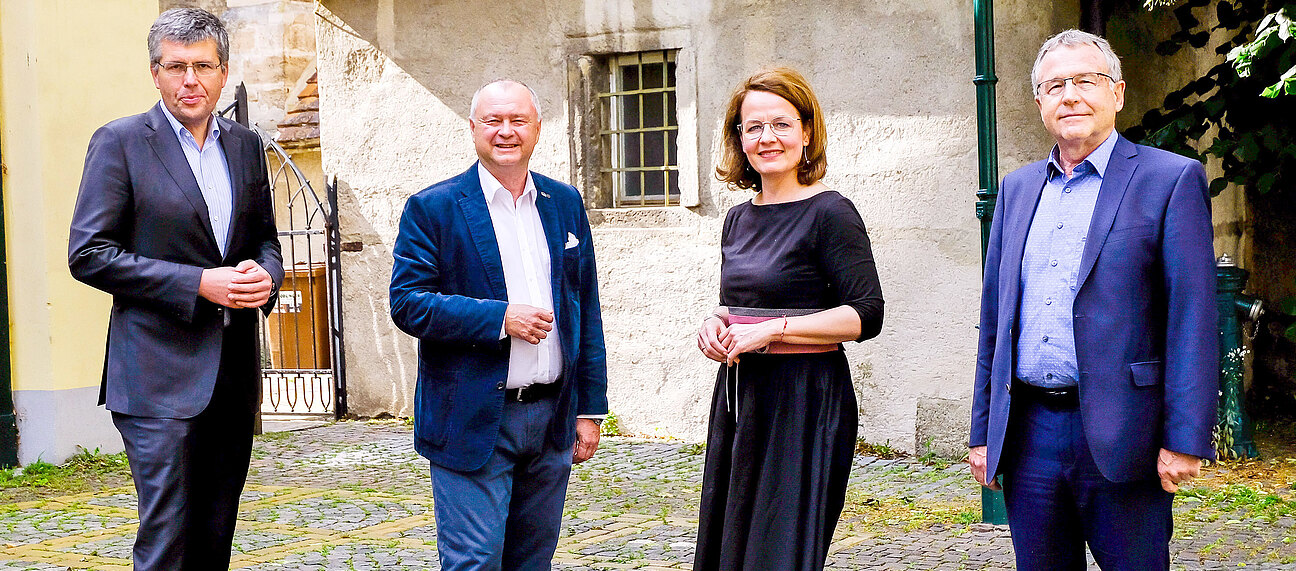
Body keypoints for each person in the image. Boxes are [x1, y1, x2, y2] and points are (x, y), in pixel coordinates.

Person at [968, 29, 1217, 570]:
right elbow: (995, 320)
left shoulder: (1169, 179)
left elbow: (1193, 319)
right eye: (1054, 85)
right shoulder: (1016, 189)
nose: (1070, 95)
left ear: (1118, 93)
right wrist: (983, 430)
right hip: (1029, 434)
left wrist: (1186, 437)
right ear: (1039, 104)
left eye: (1086, 80)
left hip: (1125, 431)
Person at [67, 8, 283, 571]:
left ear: (223, 70)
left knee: (214, 538)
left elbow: (264, 241)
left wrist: (267, 275)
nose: (192, 80)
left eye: (203, 66)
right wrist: (199, 284)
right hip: (156, 380)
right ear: (156, 74)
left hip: (232, 377)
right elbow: (89, 255)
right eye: (177, 67)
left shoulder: (244, 145)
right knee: (167, 541)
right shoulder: (120, 143)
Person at [389, 79, 607, 571]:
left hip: (551, 417)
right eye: (493, 121)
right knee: (476, 563)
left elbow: (585, 309)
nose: (506, 131)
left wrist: (590, 408)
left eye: (518, 121)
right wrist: (499, 318)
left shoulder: (564, 202)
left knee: (533, 562)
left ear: (536, 129)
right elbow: (407, 303)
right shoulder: (434, 208)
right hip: (470, 416)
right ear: (472, 129)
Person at [693, 67, 885, 571]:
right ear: (739, 139)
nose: (767, 138)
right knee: (729, 544)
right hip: (740, 398)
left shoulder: (831, 212)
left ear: (806, 132)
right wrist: (714, 324)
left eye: (781, 124)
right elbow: (738, 300)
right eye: (752, 127)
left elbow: (866, 314)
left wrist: (773, 331)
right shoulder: (738, 217)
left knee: (778, 551)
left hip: (805, 399)